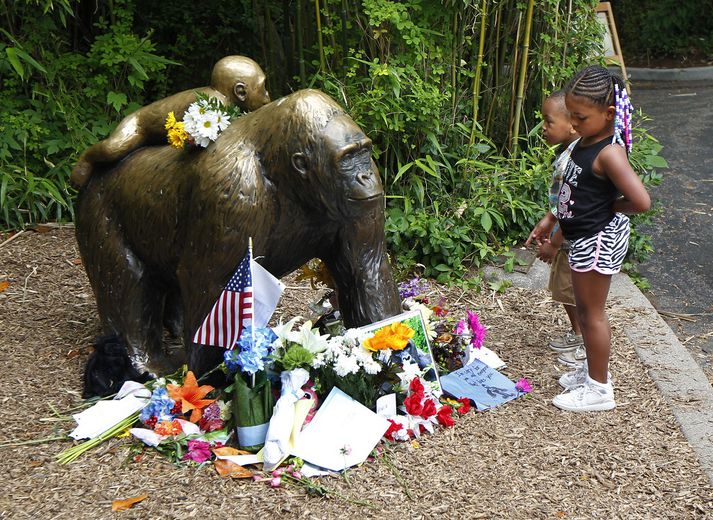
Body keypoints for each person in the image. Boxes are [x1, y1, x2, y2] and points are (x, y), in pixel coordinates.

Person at [539, 65, 650, 412]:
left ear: (609, 113)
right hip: (584, 236)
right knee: (587, 311)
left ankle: (599, 389)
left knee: (592, 314)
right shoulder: (587, 139)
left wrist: (607, 207)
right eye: (570, 115)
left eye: (580, 117)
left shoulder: (609, 152)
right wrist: (554, 222)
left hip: (597, 239)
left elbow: (641, 201)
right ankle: (592, 370)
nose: (573, 123)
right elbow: (573, 190)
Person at [71, 55, 271, 187]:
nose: (267, 95)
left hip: (162, 137)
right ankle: (87, 158)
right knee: (113, 148)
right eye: (262, 88)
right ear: (240, 92)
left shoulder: (228, 105)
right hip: (139, 126)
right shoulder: (214, 105)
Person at [526, 90, 584, 367]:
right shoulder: (570, 153)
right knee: (565, 289)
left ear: (572, 124)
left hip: (574, 240)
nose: (543, 128)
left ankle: (583, 339)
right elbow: (562, 201)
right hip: (567, 235)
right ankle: (580, 333)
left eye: (548, 122)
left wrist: (555, 242)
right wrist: (549, 219)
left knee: (570, 289)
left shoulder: (575, 161)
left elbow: (574, 207)